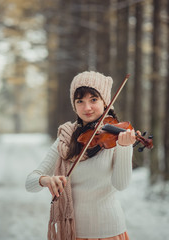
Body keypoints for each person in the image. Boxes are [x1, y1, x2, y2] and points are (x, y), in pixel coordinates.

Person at [25, 71, 137, 240]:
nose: (87, 108)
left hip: (109, 231)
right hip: (73, 233)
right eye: (80, 101)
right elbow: (30, 183)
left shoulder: (116, 138)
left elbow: (120, 184)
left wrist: (124, 148)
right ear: (74, 104)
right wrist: (46, 180)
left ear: (105, 101)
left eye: (93, 99)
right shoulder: (66, 139)